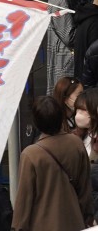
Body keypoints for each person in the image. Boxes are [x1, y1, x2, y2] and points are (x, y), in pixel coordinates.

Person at [14, 95, 95, 230]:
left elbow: (24, 199)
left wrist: (18, 227)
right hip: (74, 220)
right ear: (60, 117)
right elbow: (85, 188)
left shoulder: (31, 154)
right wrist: (88, 215)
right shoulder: (76, 144)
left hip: (42, 224)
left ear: (36, 121)